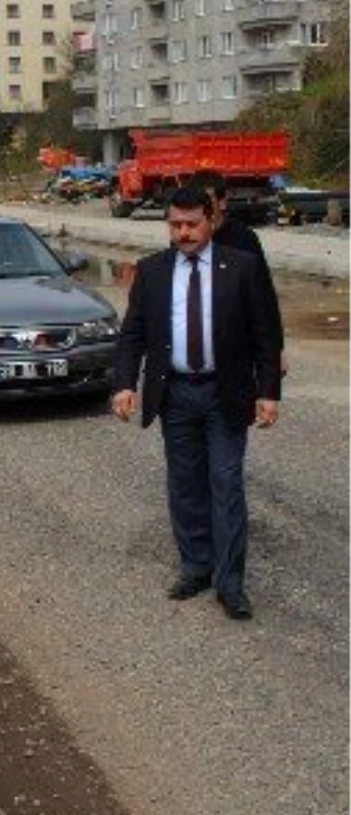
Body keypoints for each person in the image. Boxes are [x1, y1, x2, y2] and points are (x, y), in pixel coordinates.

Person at [111, 184, 282, 620]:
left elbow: (266, 334)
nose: (182, 232)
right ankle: (196, 566)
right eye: (175, 225)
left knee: (226, 485)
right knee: (185, 485)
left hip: (225, 393)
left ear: (211, 220)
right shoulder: (152, 271)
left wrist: (267, 392)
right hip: (176, 394)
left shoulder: (241, 267)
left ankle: (230, 584)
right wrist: (125, 383)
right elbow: (133, 334)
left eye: (191, 224)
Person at [194, 171, 285, 365]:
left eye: (207, 200)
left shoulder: (244, 240)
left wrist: (275, 349)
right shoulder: (185, 240)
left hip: (238, 348)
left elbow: (264, 298)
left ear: (222, 202)